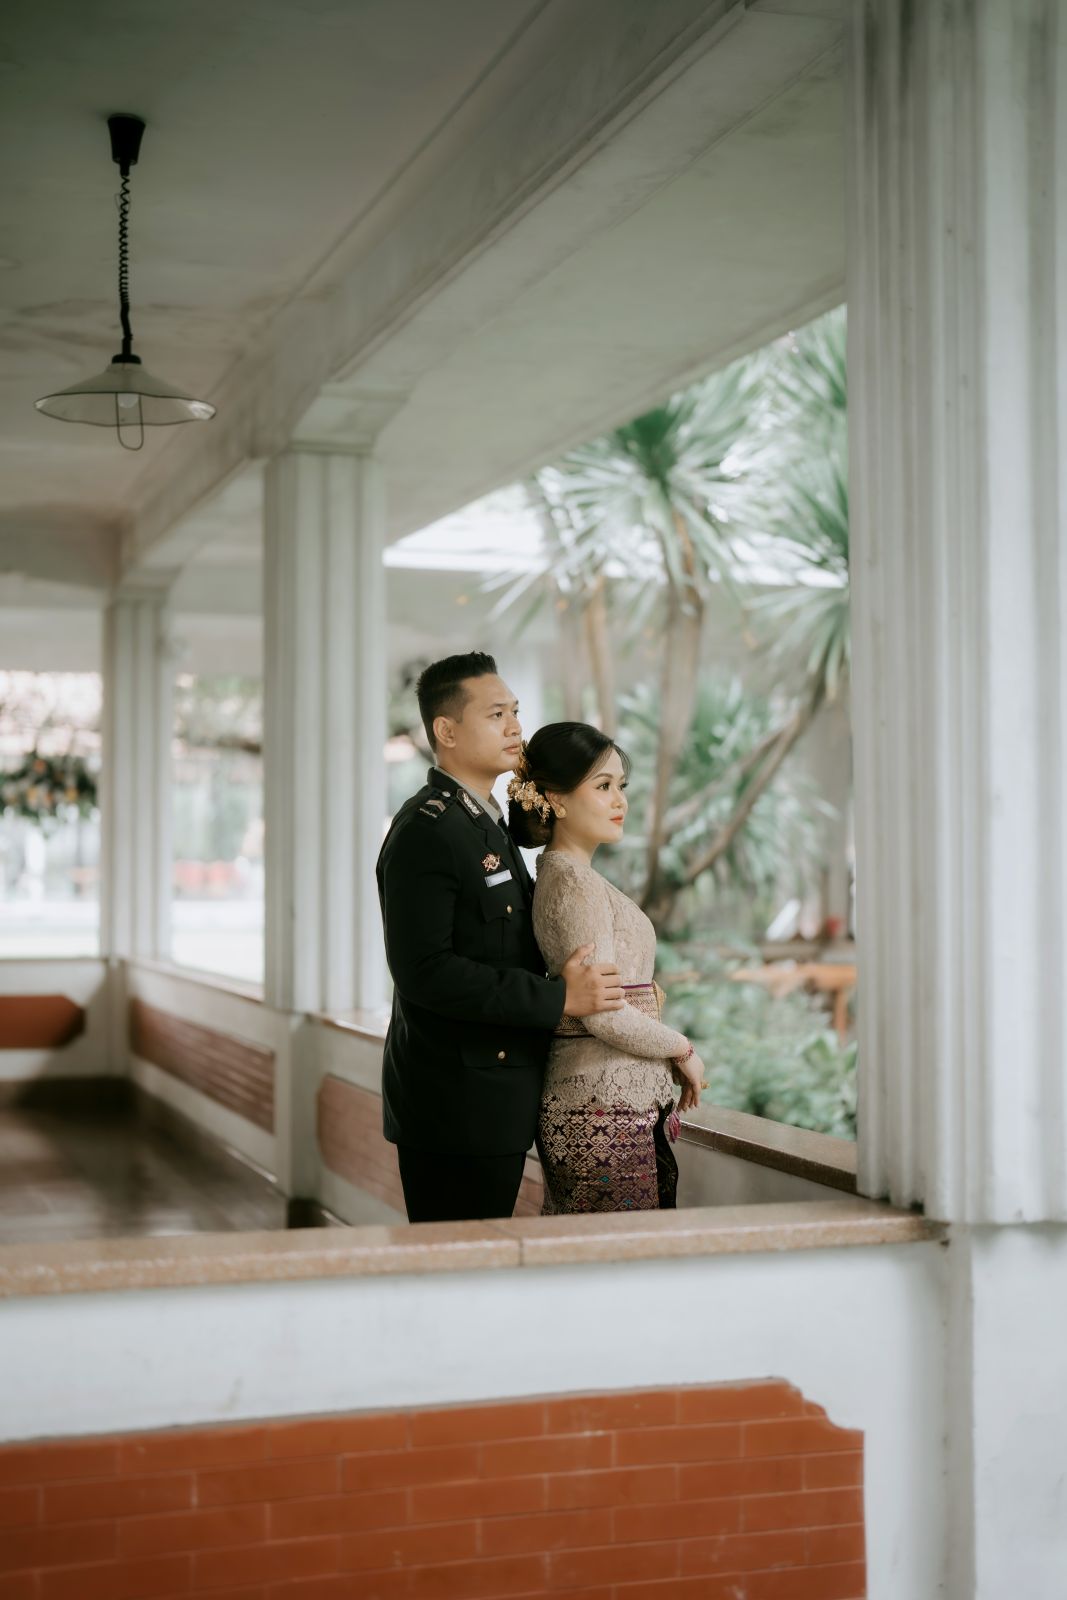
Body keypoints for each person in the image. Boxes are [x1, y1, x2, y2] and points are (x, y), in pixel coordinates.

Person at [377, 653, 626, 1224]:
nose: (515, 726)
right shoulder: (428, 830)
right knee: (458, 1264)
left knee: (480, 1263)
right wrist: (558, 998)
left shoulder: (484, 822)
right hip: (454, 1106)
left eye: (514, 711)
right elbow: (424, 971)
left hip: (494, 1100)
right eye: (496, 715)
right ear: (447, 731)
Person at [508, 723, 706, 1213]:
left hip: (610, 1103)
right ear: (556, 799)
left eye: (621, 785)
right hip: (601, 1108)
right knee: (614, 1253)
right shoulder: (572, 883)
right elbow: (602, 1012)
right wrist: (682, 1048)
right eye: (602, 786)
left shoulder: (573, 876)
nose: (620, 800)